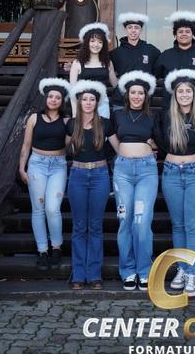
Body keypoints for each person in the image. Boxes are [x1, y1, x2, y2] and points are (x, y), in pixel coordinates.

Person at [157, 69, 195, 297]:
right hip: (171, 173)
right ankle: (181, 269)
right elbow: (158, 140)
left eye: (189, 91)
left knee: (192, 226)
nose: (185, 94)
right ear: (175, 94)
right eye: (181, 91)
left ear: (194, 94)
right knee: (177, 225)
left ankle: (192, 273)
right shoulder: (166, 116)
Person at [66, 80, 119, 290]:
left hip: (100, 175)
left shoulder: (105, 124)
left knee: (95, 226)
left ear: (97, 103)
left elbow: (119, 148)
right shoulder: (71, 124)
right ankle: (79, 274)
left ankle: (95, 274)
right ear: (79, 102)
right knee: (79, 226)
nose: (88, 103)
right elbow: (63, 148)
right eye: (85, 99)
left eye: (92, 100)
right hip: (77, 174)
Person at [110, 70, 158, 291]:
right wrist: (122, 152)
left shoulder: (153, 116)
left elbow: (161, 140)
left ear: (146, 96)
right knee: (125, 219)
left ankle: (144, 270)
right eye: (133, 92)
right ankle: (128, 270)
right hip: (123, 171)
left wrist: (151, 145)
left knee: (142, 221)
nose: (137, 96)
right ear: (127, 95)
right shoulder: (118, 115)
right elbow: (111, 136)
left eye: (141, 93)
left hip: (147, 171)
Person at [19, 77, 71, 270]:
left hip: (58, 165)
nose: (54, 100)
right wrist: (21, 168)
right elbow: (26, 145)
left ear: (62, 101)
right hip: (37, 165)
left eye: (58, 97)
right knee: (38, 209)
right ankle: (42, 250)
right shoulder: (34, 118)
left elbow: (70, 146)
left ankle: (56, 247)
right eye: (51, 96)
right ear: (46, 98)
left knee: (52, 208)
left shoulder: (66, 121)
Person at [154, 11, 195, 110]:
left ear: (193, 34)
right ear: (175, 34)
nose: (184, 34)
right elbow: (153, 77)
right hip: (170, 109)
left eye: (187, 31)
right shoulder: (165, 55)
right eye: (180, 31)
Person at [110, 13, 160, 111]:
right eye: (130, 27)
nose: (133, 30)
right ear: (125, 29)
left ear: (141, 30)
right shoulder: (116, 53)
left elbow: (158, 70)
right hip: (121, 101)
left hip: (143, 101)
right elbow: (108, 69)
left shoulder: (151, 50)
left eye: (136, 27)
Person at [69, 22, 117, 118]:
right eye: (92, 41)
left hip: (102, 104)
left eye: (100, 42)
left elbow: (116, 84)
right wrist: (74, 114)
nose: (96, 44)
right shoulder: (77, 63)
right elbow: (72, 91)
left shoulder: (108, 63)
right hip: (84, 104)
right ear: (87, 42)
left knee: (103, 127)